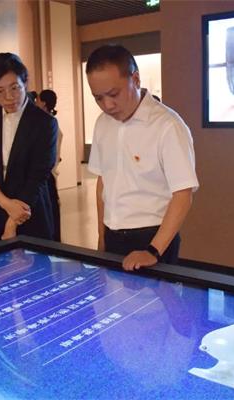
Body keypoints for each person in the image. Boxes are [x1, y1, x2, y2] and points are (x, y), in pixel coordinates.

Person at [86, 44, 199, 271]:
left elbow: (183, 194)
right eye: (98, 98)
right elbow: (103, 182)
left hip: (153, 237)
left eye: (114, 94)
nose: (107, 105)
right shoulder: (102, 124)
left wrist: (153, 251)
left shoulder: (167, 125)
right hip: (112, 234)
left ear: (135, 79)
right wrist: (101, 236)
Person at [0, 52, 58, 243]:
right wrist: (5, 203)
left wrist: (12, 223)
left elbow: (38, 176)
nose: (9, 97)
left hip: (30, 211)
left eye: (15, 88)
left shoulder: (44, 123)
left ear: (25, 82)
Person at [35, 89, 62, 242]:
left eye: (38, 100)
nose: (35, 102)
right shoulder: (46, 122)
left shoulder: (49, 124)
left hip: (47, 176)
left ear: (44, 103)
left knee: (50, 214)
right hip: (48, 174)